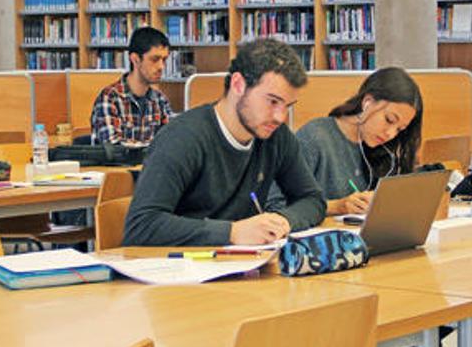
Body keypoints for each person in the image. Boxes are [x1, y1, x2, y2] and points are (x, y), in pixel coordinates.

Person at [123, 38, 326, 246]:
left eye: (288, 106)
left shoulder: (276, 136)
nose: (280, 117)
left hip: (241, 265)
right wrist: (231, 232)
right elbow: (141, 226)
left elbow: (312, 199)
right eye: (272, 101)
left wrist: (284, 221)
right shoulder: (183, 138)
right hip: (179, 269)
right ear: (238, 85)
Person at [268, 67, 423, 215]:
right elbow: (276, 204)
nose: (390, 134)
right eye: (389, 120)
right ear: (367, 102)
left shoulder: (382, 151)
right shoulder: (315, 137)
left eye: (399, 130)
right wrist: (336, 207)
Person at [90, 26, 174, 145]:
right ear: (135, 59)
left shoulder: (160, 100)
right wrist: (153, 149)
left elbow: (172, 143)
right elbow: (113, 147)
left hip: (151, 163)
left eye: (164, 60)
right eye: (154, 59)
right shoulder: (110, 98)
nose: (161, 67)